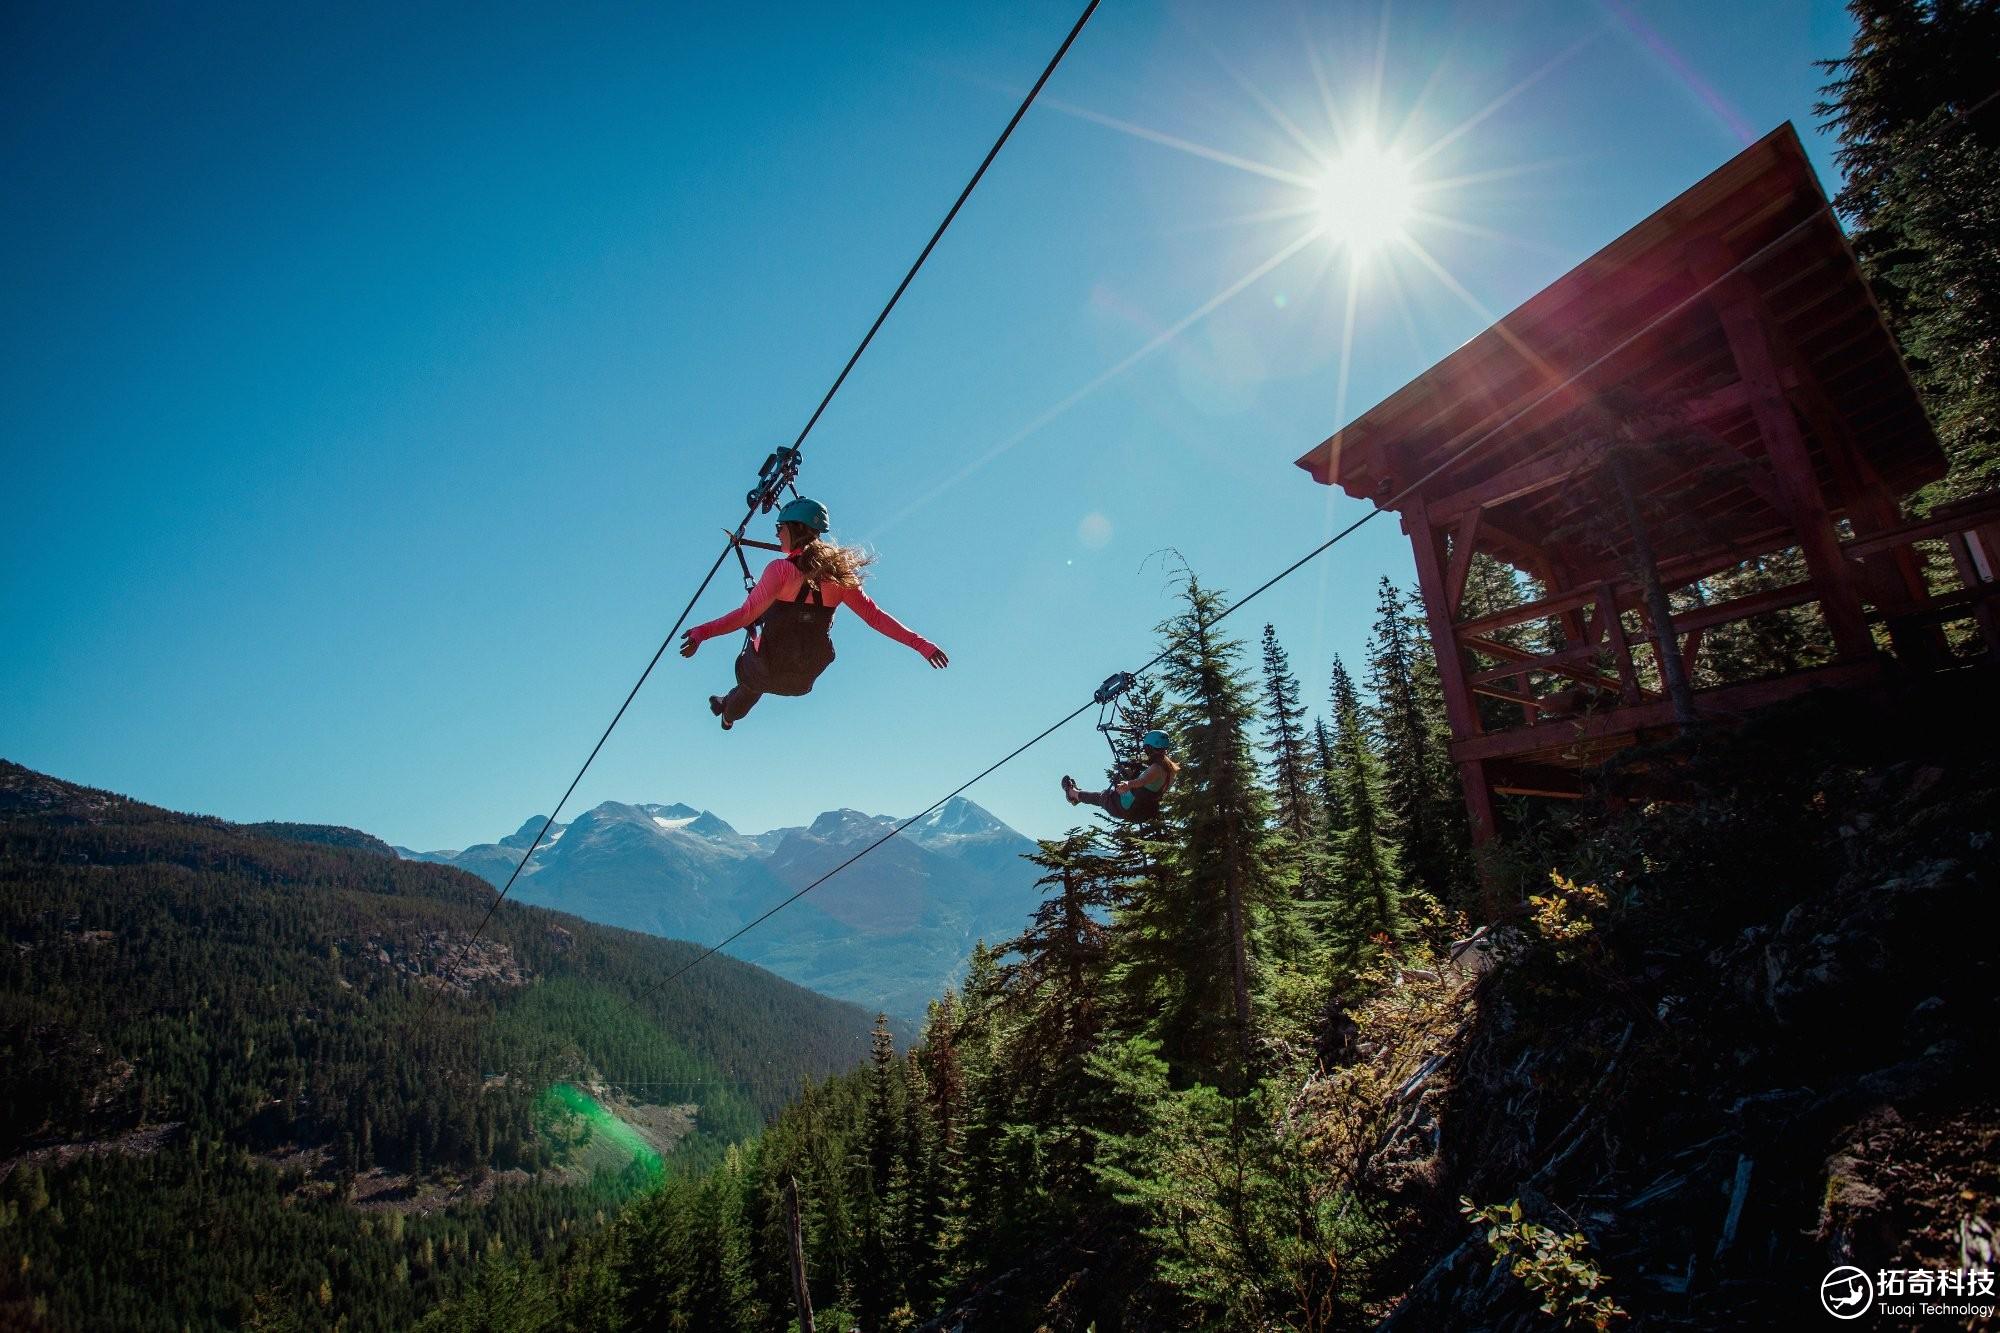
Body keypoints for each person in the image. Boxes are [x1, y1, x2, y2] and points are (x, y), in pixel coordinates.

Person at [679, 497, 947, 728]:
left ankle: (728, 711)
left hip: (766, 667)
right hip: (802, 677)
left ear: (795, 529)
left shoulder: (780, 571)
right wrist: (922, 645)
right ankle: (726, 709)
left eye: (779, 527)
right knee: (758, 673)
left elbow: (744, 615)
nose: (776, 534)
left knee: (754, 668)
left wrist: (702, 632)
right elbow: (875, 617)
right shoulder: (840, 579)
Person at [1062, 730, 1178, 820]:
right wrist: (1128, 774)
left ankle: (1072, 794)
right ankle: (1075, 795)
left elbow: (1142, 781)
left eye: (1146, 748)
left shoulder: (1156, 768)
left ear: (1150, 748)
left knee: (1102, 797)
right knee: (1105, 796)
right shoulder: (1170, 769)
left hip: (1127, 808)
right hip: (1145, 811)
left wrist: (1128, 784)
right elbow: (1149, 785)